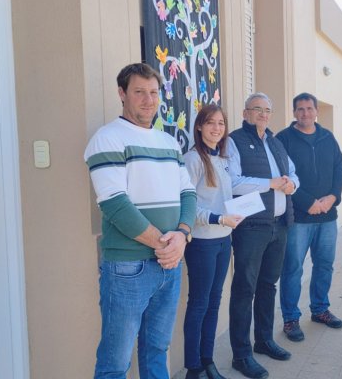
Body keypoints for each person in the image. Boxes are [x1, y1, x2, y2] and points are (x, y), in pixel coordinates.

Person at [84, 62, 197, 378]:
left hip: (169, 265)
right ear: (122, 94)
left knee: (157, 352)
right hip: (128, 269)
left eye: (153, 92)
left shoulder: (168, 142)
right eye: (139, 92)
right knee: (115, 364)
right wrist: (166, 244)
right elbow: (115, 206)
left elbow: (188, 193)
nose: (148, 100)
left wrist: (182, 235)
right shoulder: (107, 139)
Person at [227, 92, 299, 379]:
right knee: (245, 289)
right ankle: (241, 355)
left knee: (269, 285)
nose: (263, 114)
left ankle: (264, 340)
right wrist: (269, 183)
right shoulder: (234, 140)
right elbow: (233, 182)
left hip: (279, 224)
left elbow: (293, 172)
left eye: (267, 110)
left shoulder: (275, 141)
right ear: (245, 113)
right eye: (257, 109)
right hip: (252, 227)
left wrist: (292, 183)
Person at [276, 92, 342, 342]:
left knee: (324, 265)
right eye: (300, 109)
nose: (305, 113)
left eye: (309, 108)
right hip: (298, 218)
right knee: (293, 268)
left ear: (316, 111)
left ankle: (320, 309)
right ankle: (290, 318)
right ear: (294, 112)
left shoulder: (328, 137)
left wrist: (333, 197)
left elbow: (340, 168)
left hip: (327, 217)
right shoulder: (283, 139)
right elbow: (283, 176)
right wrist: (308, 202)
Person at [183, 105, 244, 379]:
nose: (216, 128)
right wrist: (220, 218)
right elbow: (187, 209)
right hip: (202, 243)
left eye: (221, 123)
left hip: (224, 241)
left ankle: (207, 360)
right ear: (199, 126)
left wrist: (234, 214)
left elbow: (224, 199)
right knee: (198, 303)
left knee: (214, 301)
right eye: (211, 123)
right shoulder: (192, 160)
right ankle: (193, 367)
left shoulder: (222, 158)